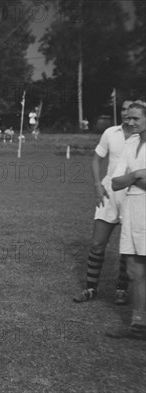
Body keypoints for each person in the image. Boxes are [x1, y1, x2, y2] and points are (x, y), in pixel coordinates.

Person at [72, 100, 136, 305]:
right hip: (109, 194)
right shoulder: (111, 133)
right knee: (97, 244)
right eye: (124, 109)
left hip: (133, 195)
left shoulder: (140, 136)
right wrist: (97, 185)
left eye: (132, 111)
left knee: (127, 247)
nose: (127, 114)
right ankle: (91, 288)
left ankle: (121, 290)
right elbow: (96, 159)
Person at [106, 101, 146, 340]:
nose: (130, 122)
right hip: (131, 207)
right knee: (134, 270)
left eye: (136, 118)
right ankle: (138, 324)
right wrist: (136, 175)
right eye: (128, 118)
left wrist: (130, 179)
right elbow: (115, 181)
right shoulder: (131, 142)